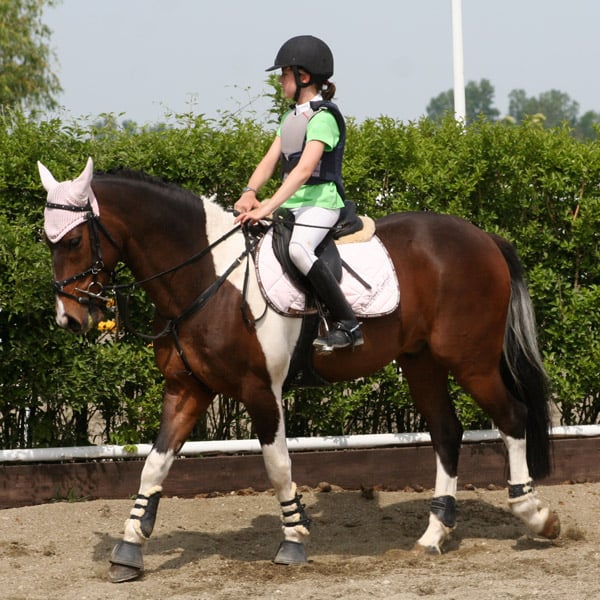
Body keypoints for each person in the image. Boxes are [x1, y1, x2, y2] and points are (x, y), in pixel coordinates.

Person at [234, 35, 363, 351]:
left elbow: (305, 170)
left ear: (303, 77)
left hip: (322, 203)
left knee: (298, 250)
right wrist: (250, 192)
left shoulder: (324, 118)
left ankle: (348, 324)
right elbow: (269, 160)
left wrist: (266, 207)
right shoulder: (290, 118)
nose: (280, 80)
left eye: (284, 74)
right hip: (294, 205)